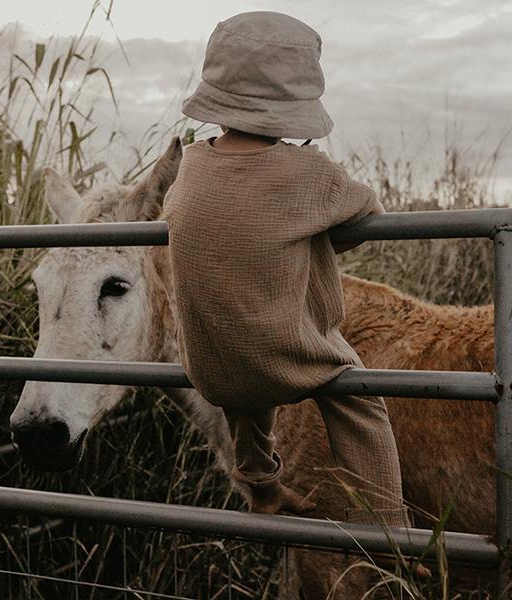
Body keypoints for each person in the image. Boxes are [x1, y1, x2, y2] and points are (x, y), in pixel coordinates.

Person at [163, 11, 410, 532]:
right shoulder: (309, 172)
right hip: (284, 361)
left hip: (209, 368)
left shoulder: (190, 165)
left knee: (244, 382)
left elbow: (180, 217)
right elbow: (370, 212)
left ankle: (259, 485)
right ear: (294, 107)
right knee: (359, 402)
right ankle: (391, 531)